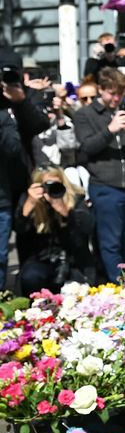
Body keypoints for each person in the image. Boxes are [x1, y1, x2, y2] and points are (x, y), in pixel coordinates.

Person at [74, 67, 125, 280]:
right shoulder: (85, 115)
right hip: (106, 186)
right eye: (111, 93)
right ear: (100, 89)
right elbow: (87, 147)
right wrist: (110, 129)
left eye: (120, 93)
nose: (116, 98)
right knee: (110, 242)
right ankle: (117, 285)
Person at [2, 52, 53, 287]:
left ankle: (26, 294)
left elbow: (41, 124)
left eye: (12, 72)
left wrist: (20, 100)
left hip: (26, 183)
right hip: (2, 187)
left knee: (28, 245)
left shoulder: (28, 95)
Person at [16, 168, 98, 293]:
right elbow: (20, 229)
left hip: (73, 261)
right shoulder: (30, 201)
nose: (52, 190)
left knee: (78, 290)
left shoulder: (76, 199)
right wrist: (30, 203)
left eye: (56, 185)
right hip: (41, 260)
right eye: (47, 186)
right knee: (30, 276)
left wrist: (65, 212)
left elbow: (85, 231)